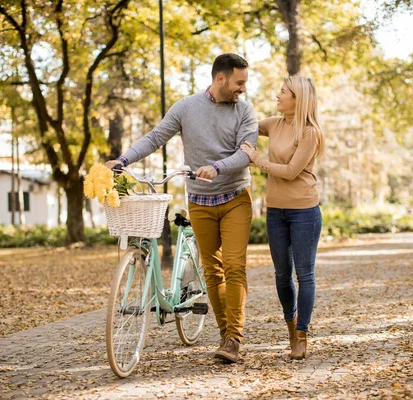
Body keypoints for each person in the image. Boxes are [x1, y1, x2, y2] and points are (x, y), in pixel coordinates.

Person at [106, 53, 258, 363]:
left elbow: (246, 154)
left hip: (235, 197)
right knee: (213, 271)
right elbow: (156, 137)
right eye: (239, 82)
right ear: (220, 79)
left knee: (233, 265)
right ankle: (224, 332)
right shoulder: (187, 107)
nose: (243, 87)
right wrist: (123, 160)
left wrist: (217, 167)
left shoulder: (245, 111)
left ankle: (233, 340)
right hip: (199, 201)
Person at [240, 75, 323, 360]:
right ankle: (290, 327)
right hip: (275, 210)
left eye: (283, 92)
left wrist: (257, 160)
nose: (278, 95)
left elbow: (290, 171)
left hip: (304, 211)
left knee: (305, 274)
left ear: (298, 99)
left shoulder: (310, 132)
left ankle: (301, 334)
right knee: (281, 274)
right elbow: (245, 120)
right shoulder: (274, 124)